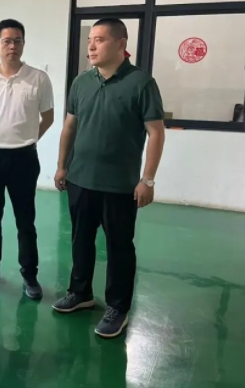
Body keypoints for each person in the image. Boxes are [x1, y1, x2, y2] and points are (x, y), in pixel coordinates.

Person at [53, 18, 165, 339]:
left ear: (121, 44)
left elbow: (156, 132)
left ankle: (118, 307)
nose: (91, 46)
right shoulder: (81, 82)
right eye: (90, 39)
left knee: (119, 247)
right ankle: (80, 293)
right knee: (80, 240)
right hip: (80, 179)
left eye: (99, 40)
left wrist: (148, 180)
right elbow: (70, 126)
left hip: (119, 185)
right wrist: (62, 166)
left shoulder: (141, 83)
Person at [0, 19, 54, 299]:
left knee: (25, 220)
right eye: (7, 41)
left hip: (24, 158)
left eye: (18, 40)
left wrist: (27, 138)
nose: (12, 46)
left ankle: (29, 275)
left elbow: (48, 117)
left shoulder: (39, 78)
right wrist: (1, 134)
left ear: (23, 44)